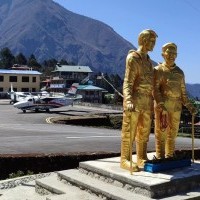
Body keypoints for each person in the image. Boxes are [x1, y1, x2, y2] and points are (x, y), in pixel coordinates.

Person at [120, 29, 158, 172]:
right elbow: (128, 82)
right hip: (135, 100)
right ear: (144, 41)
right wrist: (128, 99)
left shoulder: (149, 62)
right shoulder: (133, 58)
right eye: (152, 41)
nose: (154, 44)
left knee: (144, 130)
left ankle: (141, 156)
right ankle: (125, 158)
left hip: (147, 101)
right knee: (130, 129)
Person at [153, 43, 197, 159]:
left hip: (176, 106)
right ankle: (160, 155)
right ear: (163, 54)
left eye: (174, 53)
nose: (172, 55)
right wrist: (161, 104)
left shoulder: (180, 72)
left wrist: (189, 106)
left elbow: (183, 93)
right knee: (161, 130)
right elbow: (155, 89)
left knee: (173, 132)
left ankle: (170, 154)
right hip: (163, 104)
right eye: (169, 53)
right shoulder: (158, 70)